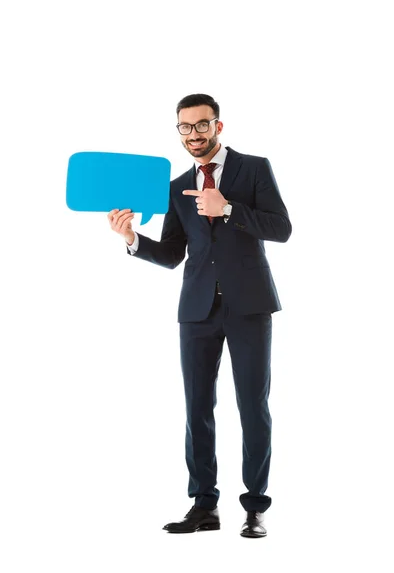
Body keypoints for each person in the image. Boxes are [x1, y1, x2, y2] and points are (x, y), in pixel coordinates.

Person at [108, 93, 292, 538]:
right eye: (184, 128)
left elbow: (281, 228)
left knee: (253, 407)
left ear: (218, 126)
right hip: (196, 310)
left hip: (249, 306)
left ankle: (255, 507)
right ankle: (204, 505)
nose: (193, 135)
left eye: (201, 125)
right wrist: (134, 238)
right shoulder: (174, 187)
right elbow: (173, 254)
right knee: (197, 409)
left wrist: (227, 208)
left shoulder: (254, 168)